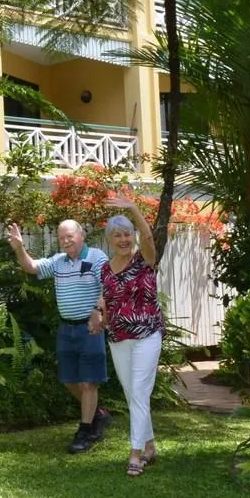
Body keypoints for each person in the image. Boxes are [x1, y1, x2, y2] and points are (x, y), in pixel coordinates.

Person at [7, 219, 111, 453]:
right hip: (66, 329)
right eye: (61, 237)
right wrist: (18, 249)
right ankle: (99, 414)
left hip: (89, 328)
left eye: (69, 236)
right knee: (68, 379)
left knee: (88, 381)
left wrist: (98, 311)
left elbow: (108, 287)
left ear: (81, 235)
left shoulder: (96, 257)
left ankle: (85, 431)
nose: (65, 241)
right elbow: (31, 267)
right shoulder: (58, 262)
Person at [96, 196, 164, 477]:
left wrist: (134, 209)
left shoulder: (145, 259)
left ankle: (135, 453)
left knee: (138, 391)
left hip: (147, 334)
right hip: (118, 338)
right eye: (117, 235)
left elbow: (148, 237)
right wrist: (98, 315)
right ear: (109, 240)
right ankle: (149, 446)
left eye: (127, 234)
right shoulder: (105, 268)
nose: (123, 239)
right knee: (132, 393)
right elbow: (107, 298)